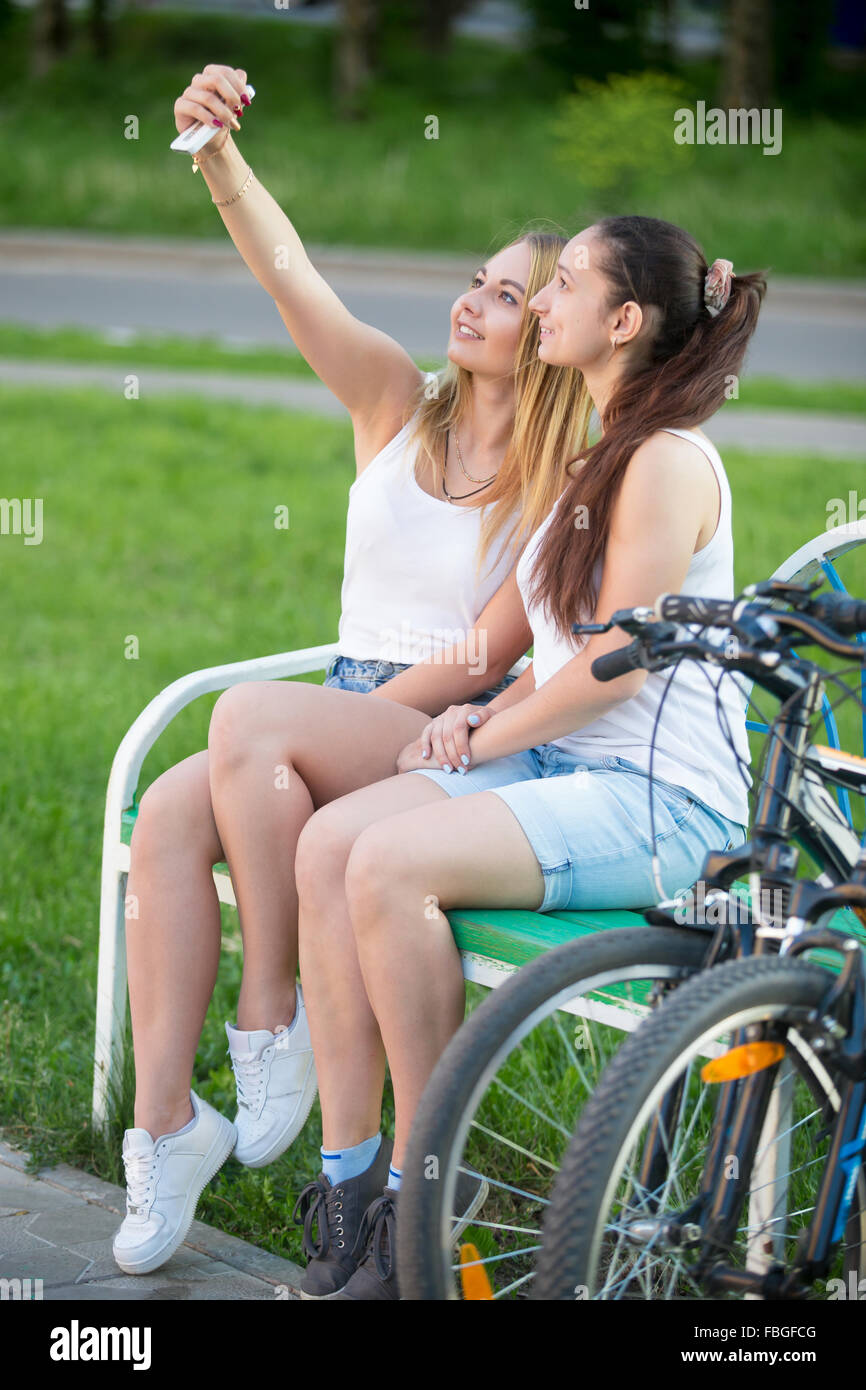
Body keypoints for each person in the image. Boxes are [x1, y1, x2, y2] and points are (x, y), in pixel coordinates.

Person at [111, 63, 590, 1276]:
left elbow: (488, 649)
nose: (469, 301)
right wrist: (213, 151)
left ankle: (269, 1015)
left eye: (504, 294)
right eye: (472, 280)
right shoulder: (394, 401)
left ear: (548, 332)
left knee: (244, 721)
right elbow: (290, 274)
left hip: (440, 718)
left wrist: (343, 725)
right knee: (170, 816)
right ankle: (169, 1127)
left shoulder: (561, 478)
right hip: (332, 708)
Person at [289, 215, 767, 1299]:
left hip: (662, 805)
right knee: (327, 844)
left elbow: (615, 665)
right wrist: (484, 709)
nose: (542, 303)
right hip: (566, 772)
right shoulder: (597, 450)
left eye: (564, 287)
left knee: (387, 864)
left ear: (623, 320)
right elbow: (554, 649)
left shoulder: (663, 460)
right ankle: (349, 1177)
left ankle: (425, 1190)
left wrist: (481, 729)